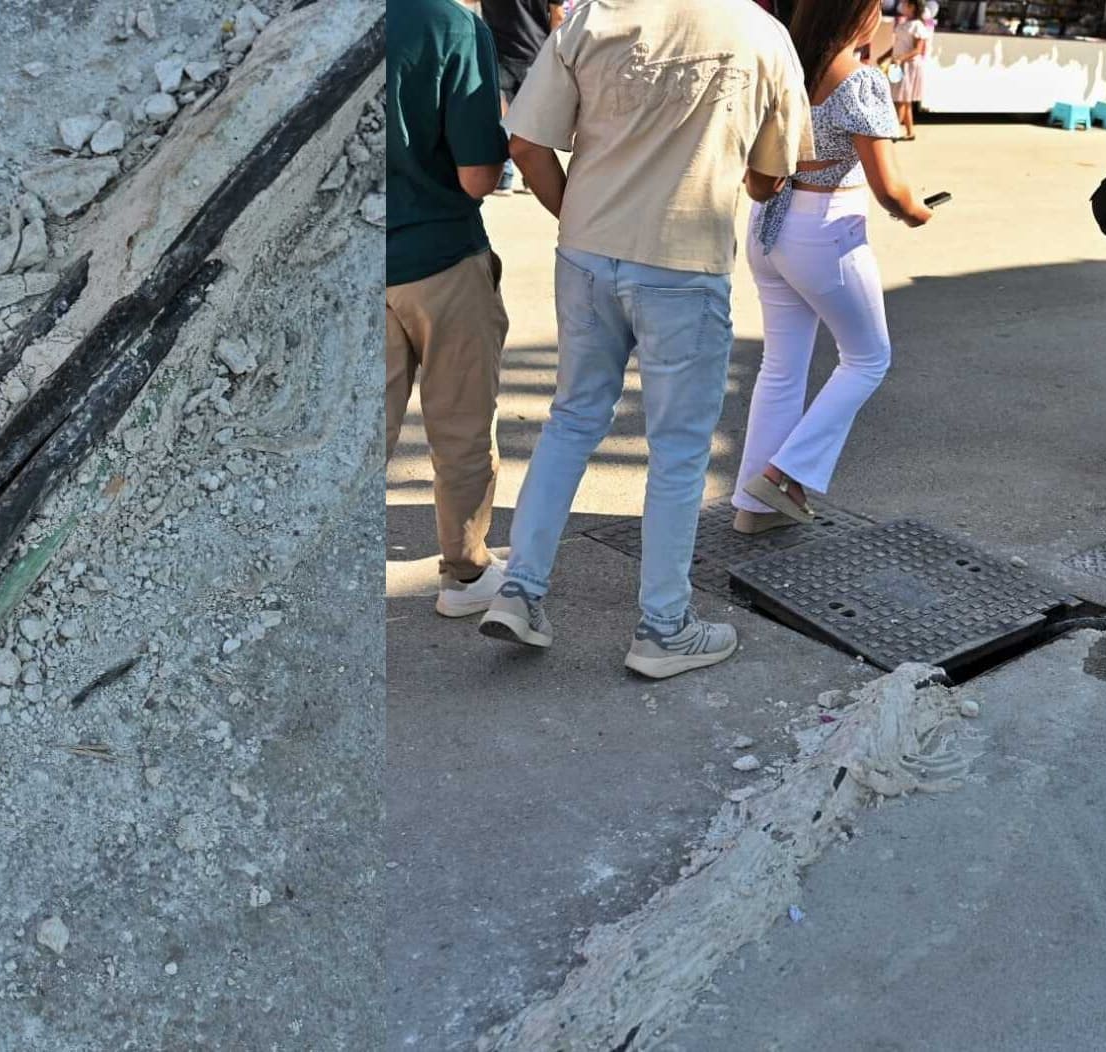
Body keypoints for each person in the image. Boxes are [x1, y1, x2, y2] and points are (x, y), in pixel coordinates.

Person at [476, 0, 811, 679]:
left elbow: (525, 144)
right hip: (683, 264)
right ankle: (662, 629)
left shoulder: (595, 15)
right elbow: (771, 177)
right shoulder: (761, 33)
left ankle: (520, 589)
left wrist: (583, 217)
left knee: (570, 421)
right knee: (679, 452)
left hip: (588, 255)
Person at [732, 0, 934, 532]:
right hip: (824, 229)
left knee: (780, 367)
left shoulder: (781, 61)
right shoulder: (859, 80)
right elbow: (889, 189)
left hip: (768, 221)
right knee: (867, 358)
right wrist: (917, 212)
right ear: (854, 14)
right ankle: (780, 477)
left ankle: (753, 509)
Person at [385, 0, 513, 617]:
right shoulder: (449, 25)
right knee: (460, 427)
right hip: (439, 255)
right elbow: (477, 176)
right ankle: (464, 575)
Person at [480, 0, 564, 193]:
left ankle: (504, 177)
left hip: (498, 52)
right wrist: (554, 54)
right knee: (533, 122)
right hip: (536, 53)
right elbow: (558, 16)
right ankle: (533, 179)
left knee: (501, 118)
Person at [884, 0, 930, 140]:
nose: (902, 6)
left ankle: (894, 130)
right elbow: (897, 45)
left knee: (902, 99)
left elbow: (917, 49)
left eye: (905, 4)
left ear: (912, 7)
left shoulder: (918, 26)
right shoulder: (903, 24)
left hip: (908, 66)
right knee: (904, 99)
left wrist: (900, 59)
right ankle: (910, 132)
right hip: (898, 64)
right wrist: (885, 56)